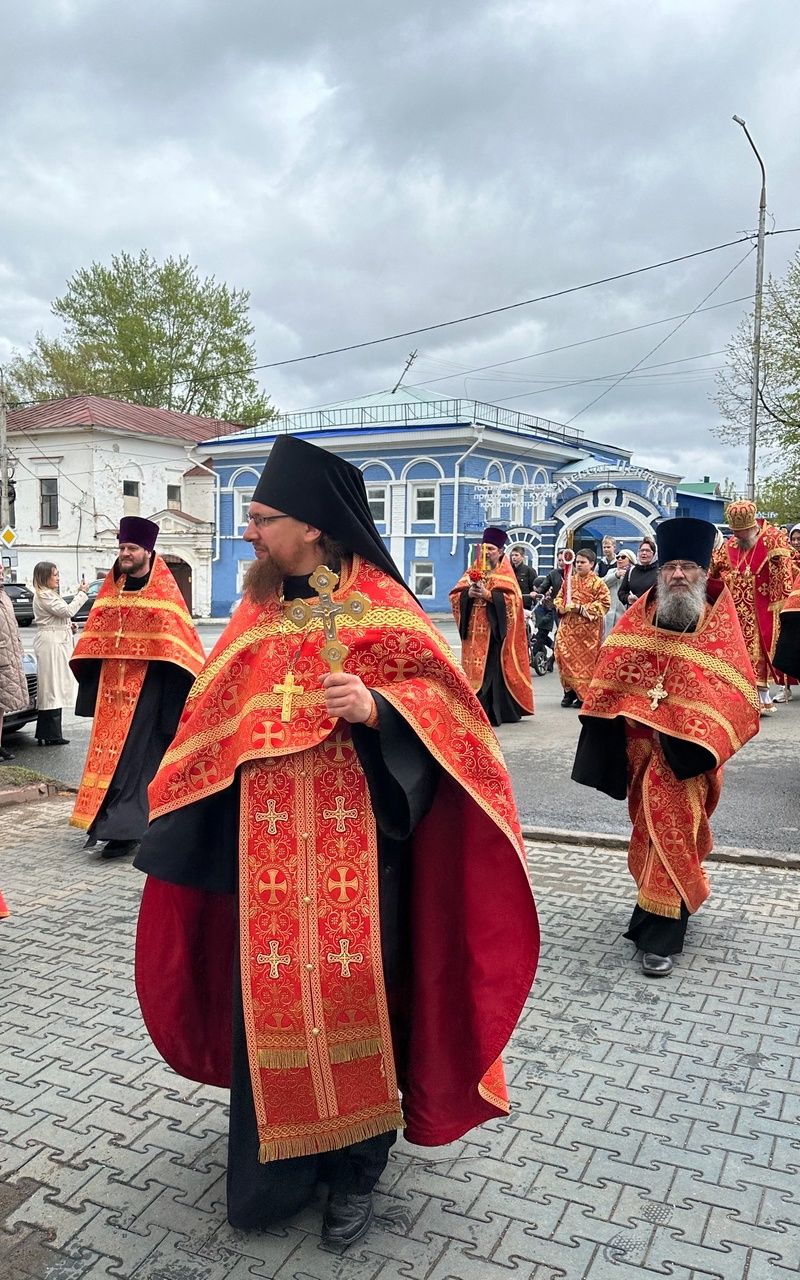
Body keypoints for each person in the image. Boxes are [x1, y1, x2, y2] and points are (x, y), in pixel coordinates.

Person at [133, 436, 539, 1249]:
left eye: (262, 519)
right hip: (263, 854)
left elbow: (451, 709)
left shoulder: (383, 607)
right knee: (271, 1001)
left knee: (362, 1000)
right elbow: (212, 710)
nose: (248, 533)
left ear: (313, 528)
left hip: (364, 858)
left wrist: (381, 709)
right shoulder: (256, 606)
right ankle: (280, 1165)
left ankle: (358, 1167)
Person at [572, 518, 760, 977]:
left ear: (702, 572)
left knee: (669, 828)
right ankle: (665, 906)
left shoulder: (719, 623)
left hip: (689, 752)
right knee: (648, 830)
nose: (678, 575)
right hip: (641, 748)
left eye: (688, 568)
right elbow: (611, 673)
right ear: (661, 570)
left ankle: (660, 936)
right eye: (672, 566)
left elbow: (737, 691)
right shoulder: (640, 617)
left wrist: (693, 728)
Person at [70, 517, 205, 860]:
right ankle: (109, 821)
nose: (125, 554)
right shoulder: (112, 588)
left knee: (136, 757)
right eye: (121, 548)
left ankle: (125, 829)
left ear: (147, 550)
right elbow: (95, 633)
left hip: (150, 688)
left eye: (131, 549)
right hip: (111, 690)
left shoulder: (163, 590)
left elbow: (178, 641)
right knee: (109, 759)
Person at [710, 500, 795, 715]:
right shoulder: (730, 545)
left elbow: (783, 572)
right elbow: (716, 571)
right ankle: (741, 696)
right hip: (735, 608)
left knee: (758, 650)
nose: (737, 536)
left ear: (752, 526)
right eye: (734, 532)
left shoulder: (772, 538)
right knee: (735, 651)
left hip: (761, 607)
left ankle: (761, 698)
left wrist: (779, 605)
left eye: (741, 532)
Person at [450, 527, 535, 725]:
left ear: (501, 551)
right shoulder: (475, 568)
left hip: (495, 630)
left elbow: (514, 601)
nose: (488, 552)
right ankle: (474, 707)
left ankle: (493, 711)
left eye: (492, 549)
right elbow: (455, 595)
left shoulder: (505, 573)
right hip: (473, 630)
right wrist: (467, 595)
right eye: (485, 548)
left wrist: (489, 596)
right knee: (473, 670)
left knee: (492, 669)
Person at [31, 561, 87, 746]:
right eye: (54, 574)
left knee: (56, 686)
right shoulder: (44, 595)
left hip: (55, 640)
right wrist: (82, 594)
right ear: (45, 576)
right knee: (51, 686)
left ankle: (50, 732)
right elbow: (67, 610)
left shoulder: (48, 594)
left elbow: (59, 617)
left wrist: (67, 626)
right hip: (51, 643)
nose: (58, 577)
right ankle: (49, 733)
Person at [554, 548, 610, 707]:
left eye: (582, 562)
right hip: (567, 628)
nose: (579, 565)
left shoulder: (598, 583)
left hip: (587, 632)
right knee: (562, 656)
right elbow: (559, 599)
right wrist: (562, 607)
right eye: (577, 562)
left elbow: (604, 604)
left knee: (584, 663)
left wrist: (580, 608)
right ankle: (568, 692)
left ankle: (582, 695)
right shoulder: (569, 581)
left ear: (591, 564)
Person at [0, 561, 28, 763]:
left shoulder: (4, 595)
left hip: (7, 656)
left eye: (1, 568)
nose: (1, 571)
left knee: (1, 706)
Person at [602, 548, 635, 640]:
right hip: (609, 614)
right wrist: (616, 575)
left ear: (630, 560)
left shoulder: (634, 573)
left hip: (624, 614)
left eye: (623, 557)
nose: (619, 559)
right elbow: (601, 584)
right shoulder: (611, 571)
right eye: (617, 557)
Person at [617, 537, 658, 608]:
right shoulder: (631, 571)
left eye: (647, 551)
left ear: (654, 554)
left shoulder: (660, 571)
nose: (644, 553)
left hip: (654, 613)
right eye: (642, 550)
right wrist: (628, 598)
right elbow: (621, 592)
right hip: (635, 612)